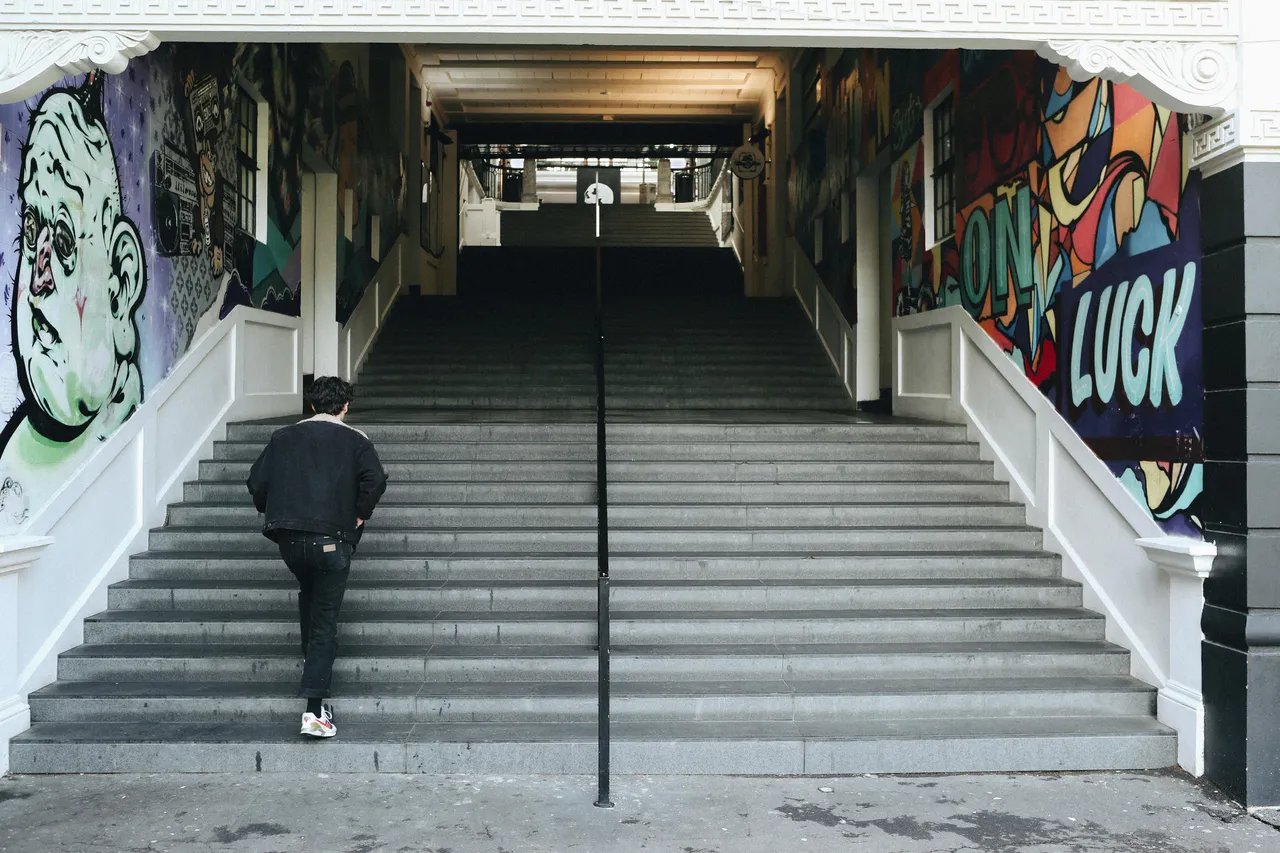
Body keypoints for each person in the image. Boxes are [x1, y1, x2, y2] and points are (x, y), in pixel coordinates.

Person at [246, 376, 388, 739]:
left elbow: (256, 482)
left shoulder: (282, 437)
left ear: (311, 405)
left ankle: (313, 670)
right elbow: (375, 480)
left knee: (310, 597)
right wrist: (358, 515)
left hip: (290, 539)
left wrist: (277, 511)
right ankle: (314, 711)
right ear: (345, 407)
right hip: (332, 540)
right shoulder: (357, 440)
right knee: (324, 618)